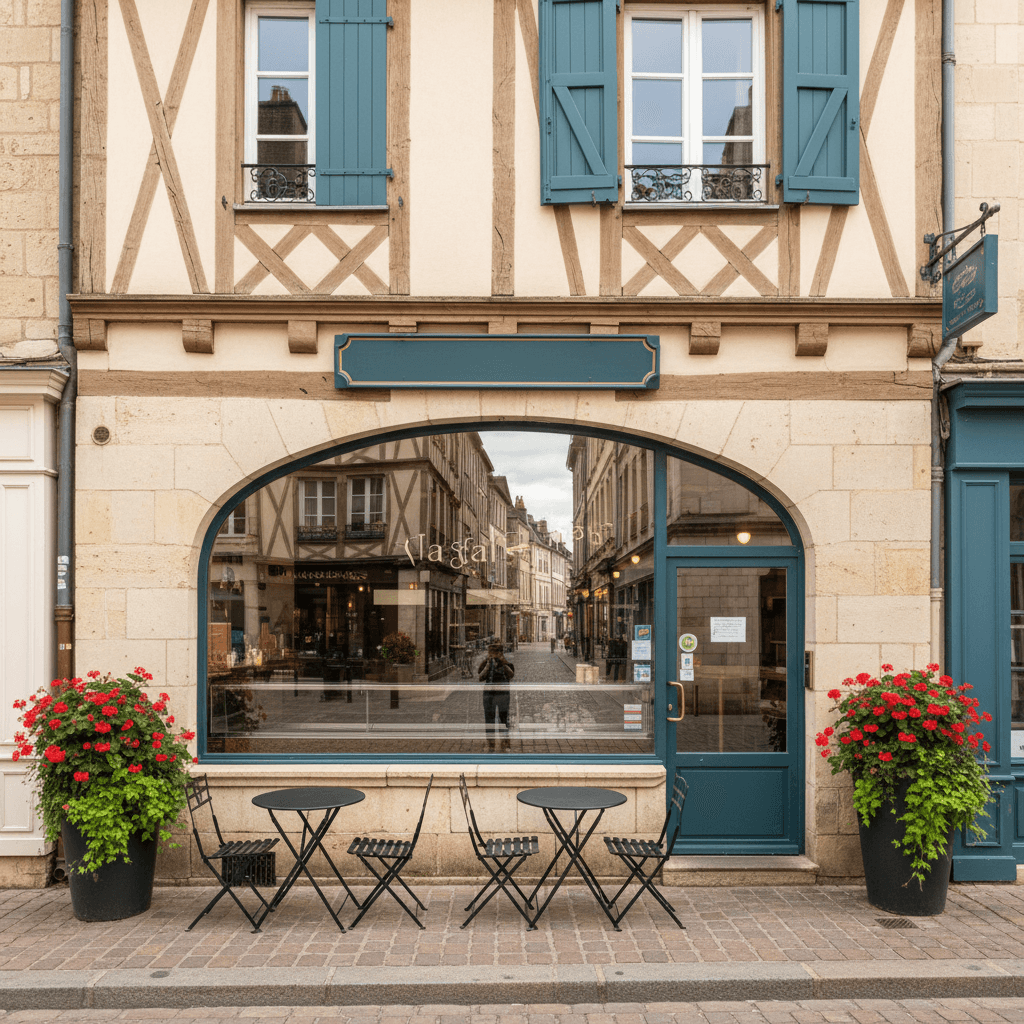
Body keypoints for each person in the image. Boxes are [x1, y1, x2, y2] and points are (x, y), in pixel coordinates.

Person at [477, 642, 515, 753]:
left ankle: (505, 742)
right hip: (489, 695)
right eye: (491, 652)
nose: (493, 655)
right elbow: (481, 677)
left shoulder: (506, 663)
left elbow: (511, 674)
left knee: (503, 718)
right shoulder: (486, 663)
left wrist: (502, 662)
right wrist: (488, 664)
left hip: (502, 694)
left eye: (496, 653)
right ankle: (491, 744)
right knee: (489, 720)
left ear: (501, 653)